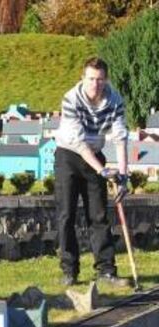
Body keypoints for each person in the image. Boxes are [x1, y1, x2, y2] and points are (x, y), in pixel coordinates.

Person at [54, 57, 130, 287]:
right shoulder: (71, 99)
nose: (95, 84)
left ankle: (106, 271)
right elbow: (78, 143)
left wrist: (123, 176)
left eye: (99, 79)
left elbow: (120, 137)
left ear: (106, 80)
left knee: (98, 216)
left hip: (96, 154)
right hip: (68, 155)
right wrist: (102, 170)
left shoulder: (114, 99)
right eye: (91, 79)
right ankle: (70, 271)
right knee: (66, 215)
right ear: (83, 77)